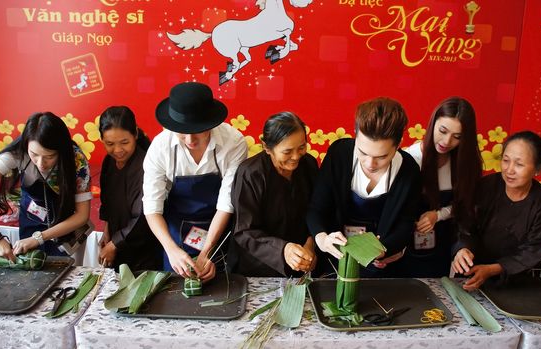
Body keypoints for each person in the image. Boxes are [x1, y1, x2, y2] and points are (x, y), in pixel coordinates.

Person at [143, 82, 247, 281]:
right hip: (176, 230)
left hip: (219, 227)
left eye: (198, 130)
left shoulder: (233, 142)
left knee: (221, 288)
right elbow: (152, 207)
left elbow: (227, 203)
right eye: (182, 132)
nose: (190, 139)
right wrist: (171, 249)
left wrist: (208, 251)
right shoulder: (160, 147)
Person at [307, 97, 421, 278]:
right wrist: (321, 238)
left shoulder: (409, 169)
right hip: (335, 258)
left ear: (398, 143)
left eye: (382, 157)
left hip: (382, 266)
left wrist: (386, 248)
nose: (370, 163)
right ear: (356, 133)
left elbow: (406, 223)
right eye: (362, 152)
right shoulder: (339, 153)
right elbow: (316, 208)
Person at [452, 131, 541, 291]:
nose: (509, 170)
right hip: (471, 274)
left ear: (538, 169)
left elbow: (532, 251)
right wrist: (462, 248)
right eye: (506, 160)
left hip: (516, 282)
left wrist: (492, 269)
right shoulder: (484, 187)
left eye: (519, 164)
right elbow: (465, 226)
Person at [0, 112, 91, 260]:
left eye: (49, 157)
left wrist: (39, 238)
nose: (40, 163)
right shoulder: (18, 152)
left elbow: (82, 215)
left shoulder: (77, 161)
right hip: (31, 220)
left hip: (65, 227)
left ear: (61, 150)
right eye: (34, 154)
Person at [230, 112, 318, 277]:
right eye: (287, 151)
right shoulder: (251, 173)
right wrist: (284, 249)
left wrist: (311, 243)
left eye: (301, 147)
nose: (296, 156)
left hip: (304, 263)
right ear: (266, 147)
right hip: (259, 267)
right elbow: (244, 232)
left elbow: (318, 210)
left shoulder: (309, 165)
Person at [402, 97, 482, 277]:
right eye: (443, 131)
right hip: (404, 247)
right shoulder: (408, 158)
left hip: (441, 245)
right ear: (433, 124)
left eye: (457, 137)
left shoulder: (464, 164)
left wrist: (437, 215)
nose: (447, 141)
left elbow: (465, 206)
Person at [98, 106, 162, 271]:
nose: (118, 150)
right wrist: (107, 231)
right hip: (118, 243)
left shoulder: (147, 164)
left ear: (135, 134)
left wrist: (114, 244)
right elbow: (107, 201)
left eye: (124, 142)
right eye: (110, 144)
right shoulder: (108, 162)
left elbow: (142, 216)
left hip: (144, 248)